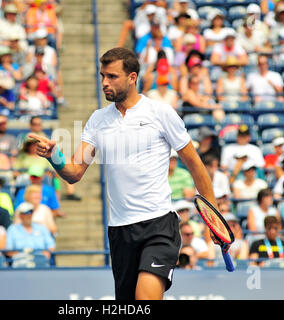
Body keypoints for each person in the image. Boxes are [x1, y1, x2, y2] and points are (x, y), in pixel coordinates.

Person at [29, 47, 220, 300]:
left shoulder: (160, 113)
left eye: (112, 76)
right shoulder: (97, 120)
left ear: (132, 77)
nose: (105, 83)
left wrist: (214, 218)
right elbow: (74, 173)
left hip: (159, 225)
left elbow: (196, 165)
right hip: (120, 231)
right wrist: (55, 156)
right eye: (102, 76)